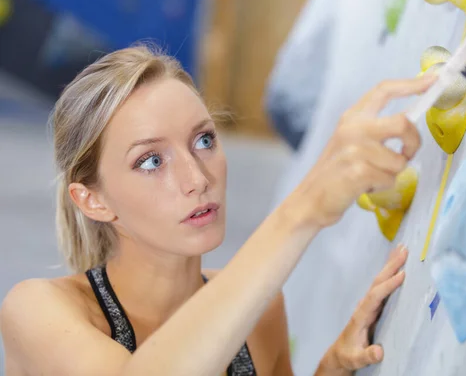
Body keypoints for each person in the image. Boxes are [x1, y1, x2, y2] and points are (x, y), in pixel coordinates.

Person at [0, 44, 436, 376]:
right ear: (92, 200)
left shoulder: (259, 313)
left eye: (203, 140)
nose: (197, 178)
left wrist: (334, 366)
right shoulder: (38, 310)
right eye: (151, 161)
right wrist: (303, 210)